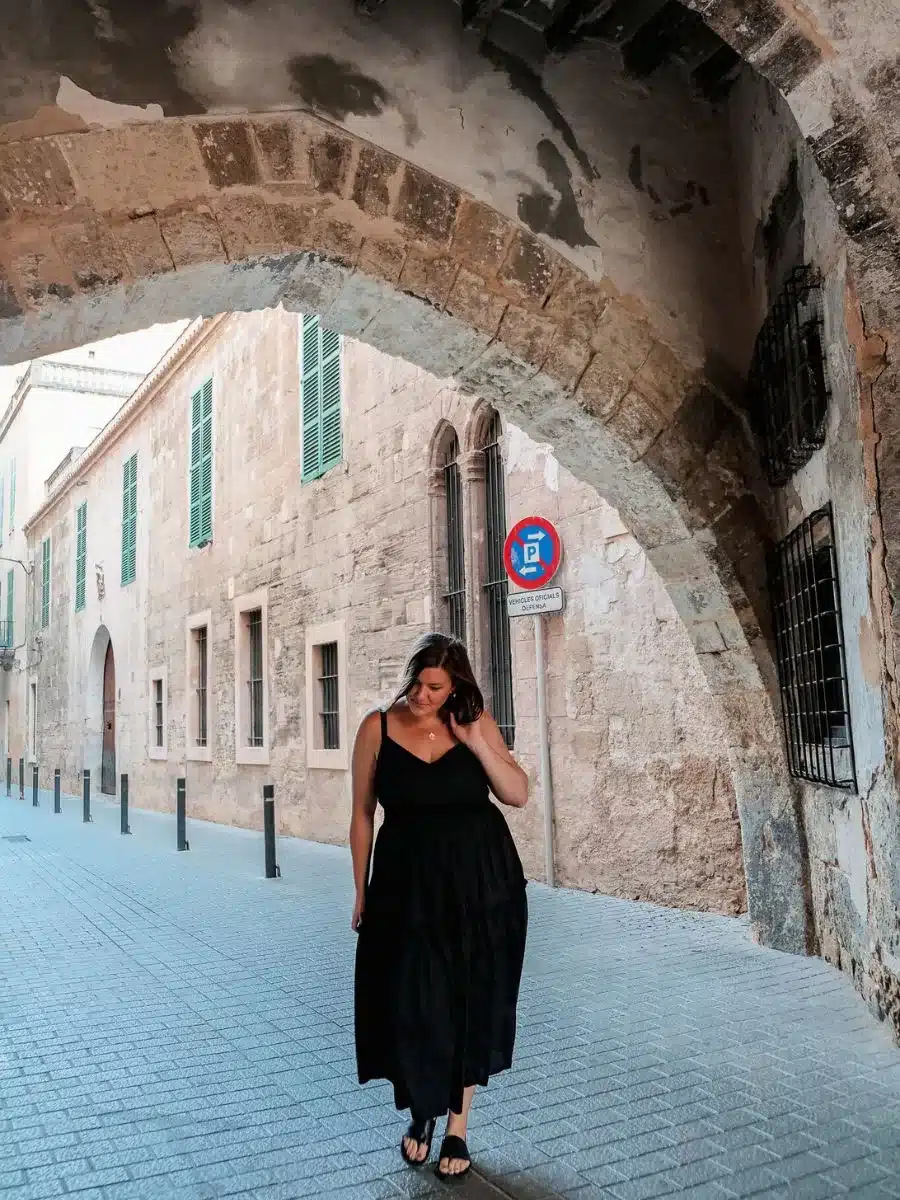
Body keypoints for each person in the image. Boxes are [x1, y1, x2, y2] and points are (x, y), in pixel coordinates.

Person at [351, 633, 528, 1181]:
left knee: (469, 1000)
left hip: (483, 888)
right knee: (414, 1003)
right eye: (420, 684)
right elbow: (361, 816)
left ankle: (457, 1125)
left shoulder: (475, 721)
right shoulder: (376, 727)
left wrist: (474, 739)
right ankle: (421, 1109)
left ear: (457, 686)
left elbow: (518, 792)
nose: (425, 696)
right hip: (407, 891)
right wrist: (361, 890)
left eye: (437, 687)